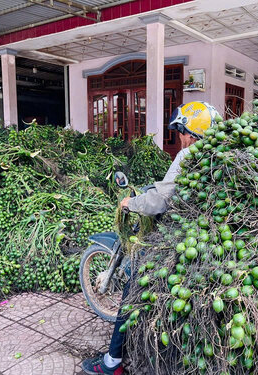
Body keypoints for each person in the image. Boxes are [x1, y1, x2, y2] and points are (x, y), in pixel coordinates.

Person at [81, 102, 220, 375]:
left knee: (131, 288)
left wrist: (130, 204)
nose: (180, 138)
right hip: (204, 235)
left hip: (177, 237)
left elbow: (160, 200)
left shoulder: (189, 155)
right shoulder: (217, 155)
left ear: (190, 133)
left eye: (180, 132)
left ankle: (112, 363)